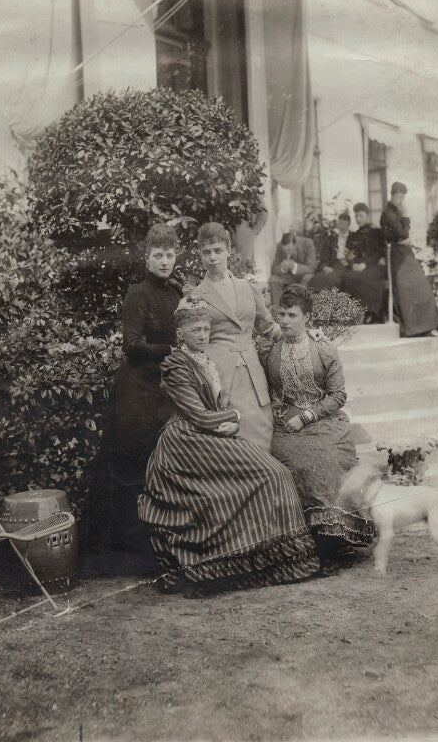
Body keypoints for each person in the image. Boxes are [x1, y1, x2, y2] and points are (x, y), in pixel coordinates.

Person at [137, 296, 320, 595]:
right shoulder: (175, 365)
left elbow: (211, 412)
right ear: (180, 334)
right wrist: (234, 416)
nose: (203, 335)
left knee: (274, 474)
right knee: (271, 475)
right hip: (185, 444)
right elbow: (197, 414)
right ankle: (228, 566)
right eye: (195, 330)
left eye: (207, 329)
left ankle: (276, 561)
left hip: (209, 435)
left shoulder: (204, 360)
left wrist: (229, 425)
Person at [259, 285, 376, 563]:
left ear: (307, 318)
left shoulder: (323, 348)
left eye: (292, 315)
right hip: (288, 426)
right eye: (281, 314)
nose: (285, 321)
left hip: (326, 422)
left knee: (327, 459)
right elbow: (269, 391)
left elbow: (339, 396)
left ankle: (336, 536)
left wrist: (307, 416)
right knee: (284, 462)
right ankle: (302, 539)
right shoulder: (271, 351)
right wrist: (280, 411)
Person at [104, 224, 182, 556]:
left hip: (165, 386)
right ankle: (133, 549)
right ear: (146, 257)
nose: (164, 261)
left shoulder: (177, 294)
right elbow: (132, 345)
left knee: (165, 463)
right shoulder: (137, 293)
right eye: (158, 255)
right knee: (137, 464)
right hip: (137, 388)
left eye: (169, 254)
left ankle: (164, 543)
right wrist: (172, 352)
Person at [192, 222, 281, 450]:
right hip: (220, 375)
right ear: (200, 255)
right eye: (207, 252)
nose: (213, 258)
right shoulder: (195, 296)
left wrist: (303, 334)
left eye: (218, 251)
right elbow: (191, 341)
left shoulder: (246, 288)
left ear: (229, 250)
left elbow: (269, 328)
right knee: (230, 440)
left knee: (261, 432)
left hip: (252, 374)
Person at [380, 182, 438, 337]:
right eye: (399, 196)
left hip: (404, 253)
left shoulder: (396, 211)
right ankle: (413, 329)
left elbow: (404, 236)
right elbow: (402, 234)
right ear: (392, 195)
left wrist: (405, 235)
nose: (401, 200)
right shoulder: (387, 213)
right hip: (396, 256)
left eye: (403, 197)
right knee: (408, 289)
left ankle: (427, 326)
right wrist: (406, 217)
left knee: (423, 286)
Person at [269, 231, 317, 304]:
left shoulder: (308, 243)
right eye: (285, 251)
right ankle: (277, 310)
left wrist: (293, 266)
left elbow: (311, 268)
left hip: (304, 276)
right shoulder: (279, 246)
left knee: (308, 278)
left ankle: (299, 310)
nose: (287, 253)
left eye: (289, 250)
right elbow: (274, 269)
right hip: (289, 277)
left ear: (295, 244)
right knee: (273, 279)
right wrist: (282, 267)